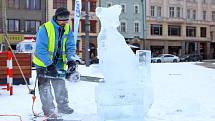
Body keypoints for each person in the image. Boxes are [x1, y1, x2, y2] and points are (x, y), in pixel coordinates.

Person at [33, 7, 77, 118]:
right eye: (61, 18)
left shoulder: (67, 28)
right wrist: (49, 64)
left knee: (60, 85)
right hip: (43, 64)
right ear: (56, 17)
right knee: (45, 87)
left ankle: (63, 106)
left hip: (58, 62)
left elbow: (70, 45)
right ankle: (49, 111)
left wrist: (71, 59)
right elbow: (40, 48)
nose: (64, 21)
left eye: (66, 19)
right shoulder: (45, 28)